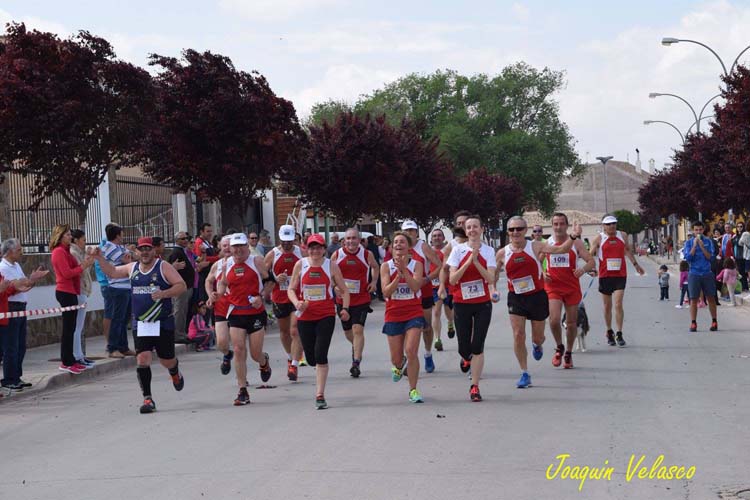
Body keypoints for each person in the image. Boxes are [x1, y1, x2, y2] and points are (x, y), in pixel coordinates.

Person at [95, 237, 186, 414]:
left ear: (154, 251)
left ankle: (174, 370)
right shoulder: (132, 268)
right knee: (143, 359)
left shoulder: (162, 266)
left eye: (148, 249)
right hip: (142, 322)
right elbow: (112, 272)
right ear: (136, 251)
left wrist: (164, 293)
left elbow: (181, 285)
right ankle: (148, 398)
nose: (144, 252)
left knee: (166, 360)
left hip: (162, 321)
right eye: (141, 249)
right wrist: (99, 258)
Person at [495, 216, 581, 389]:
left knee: (538, 337)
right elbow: (494, 273)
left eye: (519, 229)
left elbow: (562, 250)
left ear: (525, 230)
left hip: (536, 296)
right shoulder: (503, 253)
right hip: (516, 297)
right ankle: (525, 373)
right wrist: (493, 288)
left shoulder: (535, 246)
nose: (515, 232)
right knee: (518, 334)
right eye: (512, 230)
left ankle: (537, 344)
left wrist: (573, 237)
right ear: (508, 233)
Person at [287, 234, 351, 409]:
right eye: (312, 247)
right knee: (311, 358)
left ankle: (320, 394)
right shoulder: (300, 265)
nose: (315, 251)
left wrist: (345, 309)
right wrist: (296, 302)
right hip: (305, 316)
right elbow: (291, 289)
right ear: (307, 249)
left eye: (319, 247)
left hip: (325, 315)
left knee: (321, 354)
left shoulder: (331, 265)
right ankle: (314, 367)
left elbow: (345, 291)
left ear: (324, 249)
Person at [447, 216, 499, 402]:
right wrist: (469, 261)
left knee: (478, 345)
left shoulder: (489, 251)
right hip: (461, 303)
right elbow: (452, 280)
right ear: (465, 230)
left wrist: (477, 261)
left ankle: (475, 386)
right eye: (469, 228)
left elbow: (490, 279)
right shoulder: (457, 250)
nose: (472, 230)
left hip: (482, 304)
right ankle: (465, 357)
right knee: (464, 347)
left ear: (481, 229)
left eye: (475, 227)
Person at [217, 233, 273, 406]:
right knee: (239, 350)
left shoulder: (256, 261)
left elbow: (270, 281)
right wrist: (217, 294)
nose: (238, 250)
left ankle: (264, 361)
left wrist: (261, 296)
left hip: (255, 312)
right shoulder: (227, 264)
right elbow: (223, 283)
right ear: (231, 248)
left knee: (255, 354)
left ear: (247, 246)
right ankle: (242, 390)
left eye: (241, 246)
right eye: (235, 247)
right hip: (236, 312)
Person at [542, 213, 595, 370]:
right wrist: (543, 273)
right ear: (552, 226)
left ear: (566, 225)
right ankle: (559, 346)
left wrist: (583, 269)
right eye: (555, 224)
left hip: (571, 288)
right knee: (554, 320)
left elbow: (591, 261)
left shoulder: (576, 243)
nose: (558, 227)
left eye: (561, 224)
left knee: (572, 324)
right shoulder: (547, 243)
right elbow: (536, 262)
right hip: (553, 287)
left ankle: (569, 353)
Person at [380, 231, 426, 403]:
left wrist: (404, 271)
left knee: (412, 350)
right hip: (393, 313)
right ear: (392, 248)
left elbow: (415, 287)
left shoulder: (417, 264)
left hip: (413, 311)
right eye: (396, 243)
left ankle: (413, 390)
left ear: (409, 248)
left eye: (402, 243)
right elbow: (385, 291)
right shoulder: (386, 266)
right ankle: (399, 366)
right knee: (396, 359)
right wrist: (397, 278)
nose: (398, 245)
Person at [588, 215, 645, 347]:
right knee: (608, 306)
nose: (612, 226)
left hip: (620, 274)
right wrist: (591, 268)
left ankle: (619, 333)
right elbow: (590, 255)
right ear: (603, 226)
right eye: (608, 224)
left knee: (618, 304)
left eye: (614, 223)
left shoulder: (623, 235)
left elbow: (628, 251)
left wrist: (636, 265)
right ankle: (609, 331)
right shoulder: (599, 238)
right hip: (605, 276)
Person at [331, 228, 379, 378]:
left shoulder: (366, 254)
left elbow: (375, 267)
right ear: (344, 240)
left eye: (354, 238)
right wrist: (335, 286)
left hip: (361, 299)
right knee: (348, 332)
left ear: (359, 240)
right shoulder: (337, 255)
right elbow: (329, 272)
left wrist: (374, 281)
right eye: (348, 239)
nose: (351, 241)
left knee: (358, 330)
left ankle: (356, 363)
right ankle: (356, 346)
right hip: (343, 300)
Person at [0, 239, 47, 392]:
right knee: (11, 346)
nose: (21, 252)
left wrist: (32, 280)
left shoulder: (17, 266)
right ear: (10, 251)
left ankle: (16, 377)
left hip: (21, 307)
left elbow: (23, 285)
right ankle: (9, 379)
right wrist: (25, 282)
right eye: (19, 250)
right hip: (11, 308)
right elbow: (15, 286)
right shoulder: (3, 267)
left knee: (20, 345)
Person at [51, 224, 95, 374]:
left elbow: (75, 271)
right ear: (60, 236)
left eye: (70, 235)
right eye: (68, 235)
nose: (70, 237)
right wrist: (83, 266)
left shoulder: (66, 252)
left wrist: (84, 264)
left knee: (71, 328)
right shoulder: (58, 252)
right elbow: (67, 273)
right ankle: (67, 361)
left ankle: (71, 359)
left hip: (72, 291)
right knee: (68, 329)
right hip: (65, 291)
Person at [263, 224, 304, 381]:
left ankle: (294, 364)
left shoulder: (301, 252)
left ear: (294, 238)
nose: (287, 244)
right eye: (284, 241)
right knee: (285, 332)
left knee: (295, 331)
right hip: (279, 296)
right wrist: (275, 278)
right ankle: (289, 357)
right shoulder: (272, 254)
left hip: (296, 296)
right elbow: (263, 274)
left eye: (290, 241)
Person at [400, 220, 442, 374]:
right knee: (406, 327)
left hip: (423, 291)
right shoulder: (398, 246)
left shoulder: (423, 246)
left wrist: (427, 279)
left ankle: (428, 353)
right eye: (407, 231)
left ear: (417, 232)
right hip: (404, 293)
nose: (410, 233)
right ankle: (410, 358)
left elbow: (439, 265)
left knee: (426, 326)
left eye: (412, 230)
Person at [101, 223, 135, 358]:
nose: (123, 237)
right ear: (117, 235)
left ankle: (123, 346)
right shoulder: (109, 247)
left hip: (126, 286)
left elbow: (132, 258)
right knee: (117, 318)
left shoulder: (120, 247)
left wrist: (129, 256)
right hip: (117, 287)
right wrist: (128, 258)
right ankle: (112, 347)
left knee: (124, 318)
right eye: (122, 234)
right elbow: (126, 260)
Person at [205, 235, 234, 375]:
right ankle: (227, 354)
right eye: (224, 246)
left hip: (238, 307)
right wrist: (211, 294)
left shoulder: (243, 263)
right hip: (221, 307)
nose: (227, 248)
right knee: (221, 342)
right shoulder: (217, 265)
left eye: (230, 245)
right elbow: (208, 281)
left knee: (239, 344)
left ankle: (242, 377)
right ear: (220, 248)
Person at [683, 221, 718, 332]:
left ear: (703, 230)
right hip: (694, 273)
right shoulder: (688, 243)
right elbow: (688, 258)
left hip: (707, 273)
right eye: (696, 230)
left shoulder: (708, 241)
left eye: (700, 230)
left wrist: (702, 247)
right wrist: (694, 246)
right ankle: (693, 323)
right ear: (693, 230)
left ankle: (714, 321)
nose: (698, 232)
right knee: (693, 299)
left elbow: (711, 258)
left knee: (710, 298)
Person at [70, 230, 95, 368]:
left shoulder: (78, 253)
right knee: (76, 327)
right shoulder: (74, 253)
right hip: (79, 290)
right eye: (83, 240)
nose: (85, 243)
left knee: (78, 327)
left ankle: (79, 355)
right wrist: (89, 260)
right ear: (76, 240)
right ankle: (77, 356)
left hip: (83, 290)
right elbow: (81, 271)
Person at [168, 231, 198, 342]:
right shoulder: (176, 252)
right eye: (182, 239)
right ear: (176, 240)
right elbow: (171, 269)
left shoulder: (183, 251)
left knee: (183, 310)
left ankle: (181, 332)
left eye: (186, 238)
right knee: (179, 309)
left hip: (187, 286)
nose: (185, 240)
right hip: (181, 286)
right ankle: (177, 334)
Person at [429, 228, 449, 352]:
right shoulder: (428, 251)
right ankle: (437, 339)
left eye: (439, 235)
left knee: (449, 312)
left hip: (448, 285)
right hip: (433, 286)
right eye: (434, 236)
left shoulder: (448, 250)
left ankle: (451, 323)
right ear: (431, 239)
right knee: (436, 312)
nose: (437, 238)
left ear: (443, 238)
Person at [193, 223, 220, 302]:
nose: (210, 233)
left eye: (211, 231)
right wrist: (217, 258)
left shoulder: (208, 242)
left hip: (209, 273)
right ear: (201, 232)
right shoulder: (199, 242)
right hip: (203, 275)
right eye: (208, 231)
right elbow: (201, 260)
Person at [733, 221, 747, 291]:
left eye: (741, 226)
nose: (739, 228)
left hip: (742, 256)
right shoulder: (736, 236)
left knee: (743, 272)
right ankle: (742, 286)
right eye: (738, 226)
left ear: (743, 227)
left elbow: (740, 244)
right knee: (739, 272)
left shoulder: (744, 235)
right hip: (736, 256)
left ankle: (745, 287)